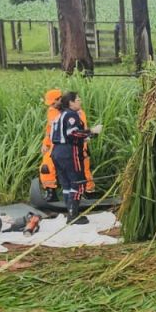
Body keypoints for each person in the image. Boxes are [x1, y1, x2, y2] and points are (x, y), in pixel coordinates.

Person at [50, 91, 103, 224]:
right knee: (78, 182)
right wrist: (91, 131)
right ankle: (73, 216)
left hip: (57, 152)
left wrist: (87, 137)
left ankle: (70, 212)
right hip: (69, 152)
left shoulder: (59, 116)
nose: (80, 101)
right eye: (78, 99)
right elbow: (72, 133)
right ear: (71, 102)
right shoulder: (71, 115)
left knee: (66, 184)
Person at [40, 88, 96, 196]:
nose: (51, 105)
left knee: (82, 167)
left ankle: (88, 191)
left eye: (53, 102)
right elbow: (49, 130)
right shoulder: (52, 111)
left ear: (60, 99)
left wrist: (83, 143)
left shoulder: (76, 113)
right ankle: (50, 191)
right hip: (57, 145)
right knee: (46, 166)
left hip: (74, 144)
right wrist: (45, 143)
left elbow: (80, 131)